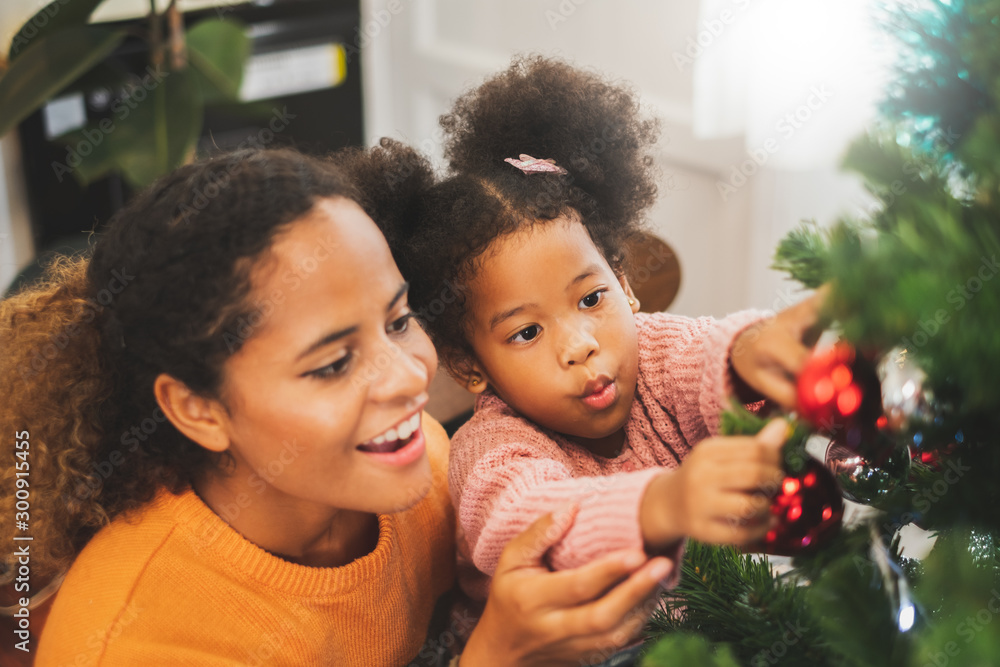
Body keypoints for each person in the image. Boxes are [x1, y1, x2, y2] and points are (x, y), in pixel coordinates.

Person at [0, 147, 671, 666]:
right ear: (197, 408)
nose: (407, 379)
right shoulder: (135, 641)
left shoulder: (429, 468)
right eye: (332, 363)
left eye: (400, 318)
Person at [369, 56, 825, 602]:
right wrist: (668, 502)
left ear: (625, 284)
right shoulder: (492, 451)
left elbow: (710, 359)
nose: (580, 345)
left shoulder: (655, 352)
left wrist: (755, 352)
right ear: (469, 364)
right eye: (527, 333)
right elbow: (533, 524)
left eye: (591, 298)